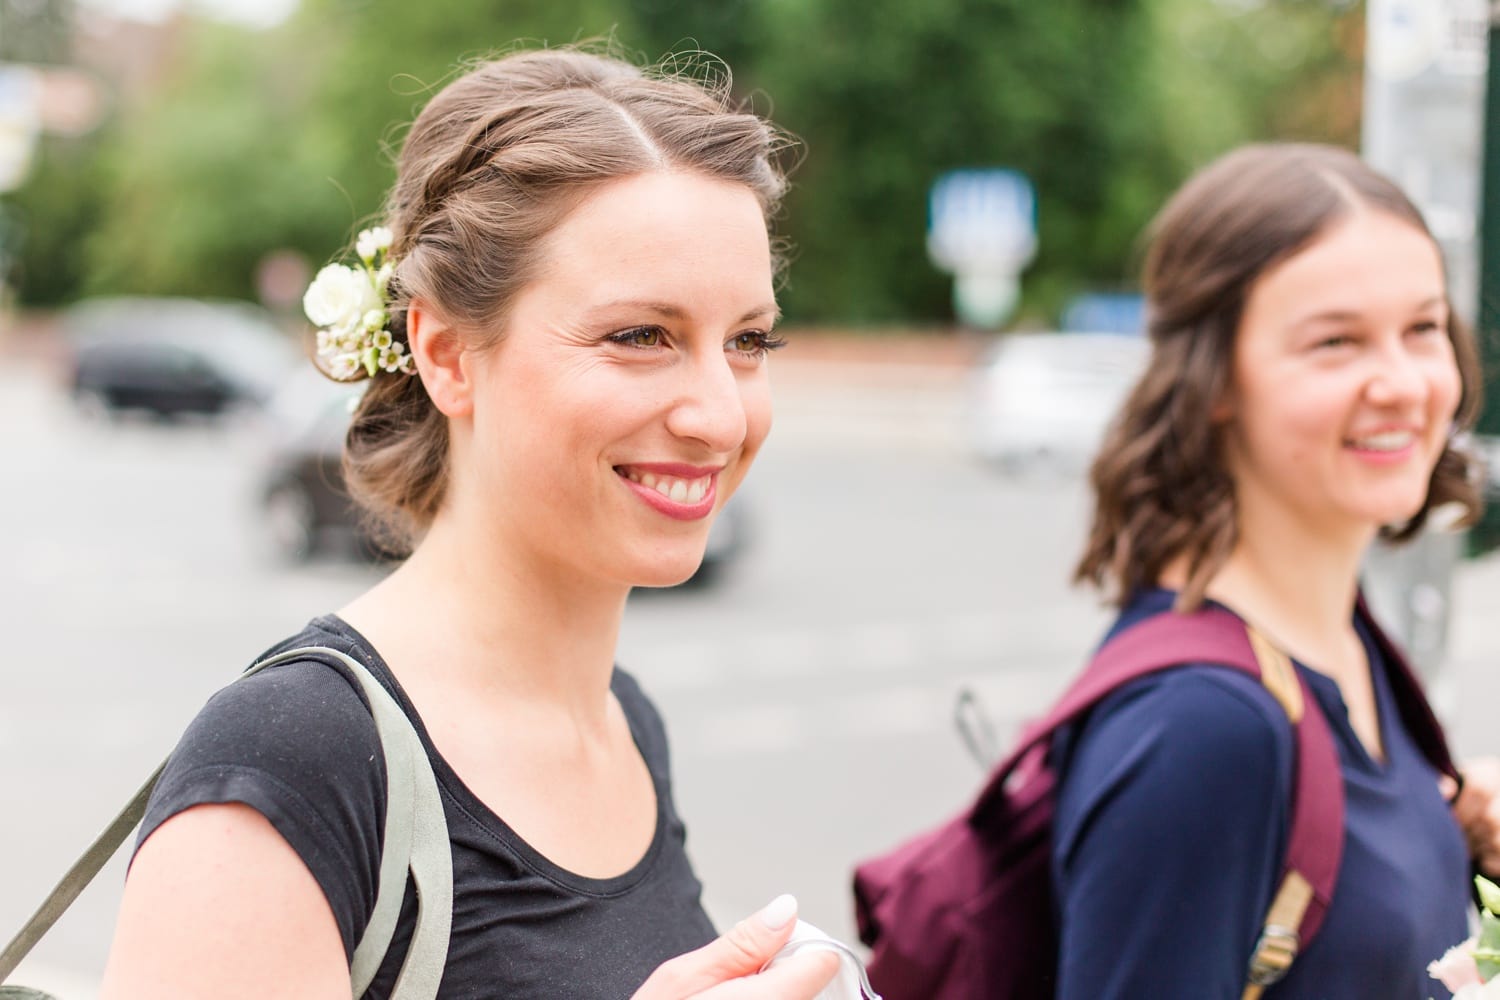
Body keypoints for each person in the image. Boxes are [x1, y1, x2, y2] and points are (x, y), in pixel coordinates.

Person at [98, 47, 839, 999]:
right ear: (447, 355)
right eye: (639, 336)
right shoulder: (293, 765)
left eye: (747, 341)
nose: (721, 417)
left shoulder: (622, 721)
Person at [1057, 142, 1500, 997]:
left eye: (1422, 329)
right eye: (1337, 342)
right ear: (1213, 377)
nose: (1404, 383)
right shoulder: (1202, 727)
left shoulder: (1339, 641)